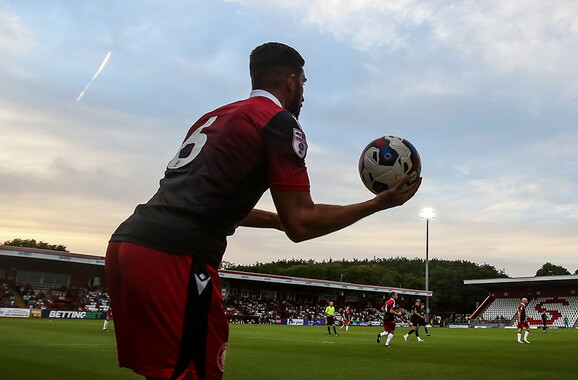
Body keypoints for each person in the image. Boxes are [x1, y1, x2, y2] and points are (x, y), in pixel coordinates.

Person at [105, 42, 421, 380]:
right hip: (176, 256)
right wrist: (378, 203)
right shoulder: (279, 123)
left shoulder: (213, 117)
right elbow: (301, 223)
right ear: (291, 80)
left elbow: (212, 201)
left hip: (128, 245)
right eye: (303, 82)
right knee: (194, 373)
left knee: (164, 373)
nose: (302, 93)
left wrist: (276, 222)